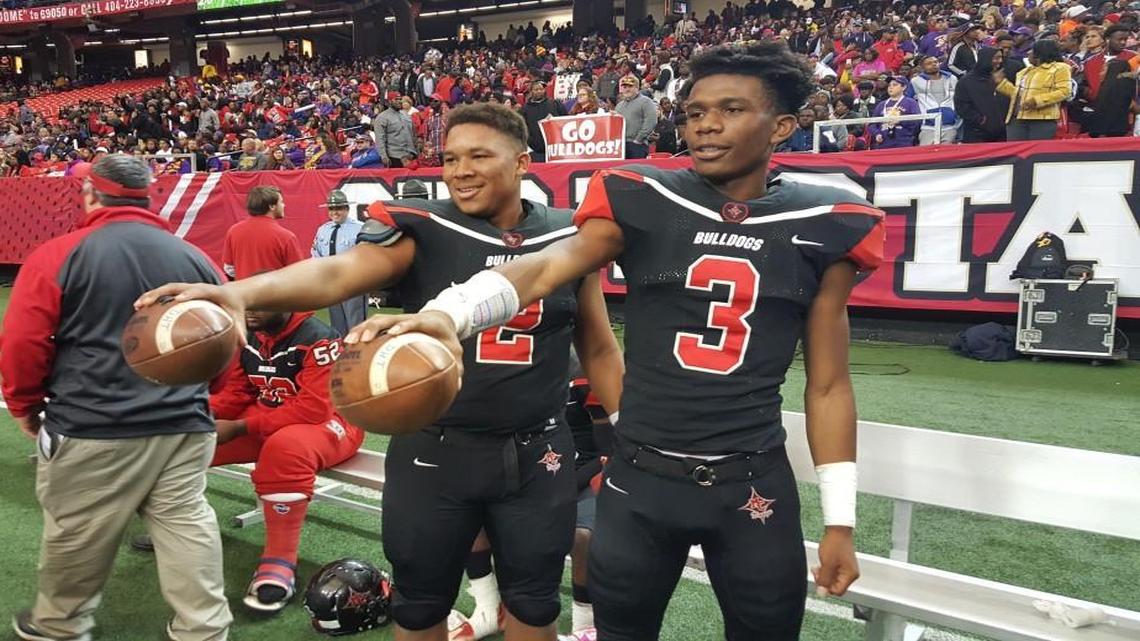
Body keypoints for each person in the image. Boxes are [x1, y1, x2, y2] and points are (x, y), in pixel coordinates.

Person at [351, 41, 882, 641]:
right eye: (695, 111)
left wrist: (840, 520)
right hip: (641, 476)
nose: (706, 124)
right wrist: (449, 312)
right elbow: (547, 265)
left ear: (782, 125)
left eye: (731, 109)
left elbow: (829, 385)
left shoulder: (825, 221)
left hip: (752, 479)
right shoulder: (647, 197)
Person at [136, 103, 624, 641]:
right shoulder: (425, 227)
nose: (460, 171)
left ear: (523, 162)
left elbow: (599, 347)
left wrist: (628, 430)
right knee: (418, 605)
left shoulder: (568, 235)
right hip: (434, 449)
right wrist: (240, 292)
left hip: (536, 450)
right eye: (450, 158)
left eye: (479, 156)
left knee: (534, 603)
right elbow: (338, 273)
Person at [0, 154, 233, 641]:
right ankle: (204, 629)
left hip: (93, 424)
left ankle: (60, 624)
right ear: (149, 198)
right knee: (186, 523)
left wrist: (24, 406)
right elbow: (227, 338)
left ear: (91, 194)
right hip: (184, 424)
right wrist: (205, 393)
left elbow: (22, 343)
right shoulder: (195, 257)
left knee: (78, 532)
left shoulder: (59, 253)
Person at [209, 309, 365, 611]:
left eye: (261, 301)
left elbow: (313, 409)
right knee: (190, 440)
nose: (249, 309)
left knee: (285, 448)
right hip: (270, 414)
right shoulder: (248, 333)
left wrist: (241, 427)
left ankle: (280, 559)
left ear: (286, 298)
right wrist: (199, 413)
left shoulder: (319, 338)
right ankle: (181, 527)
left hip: (332, 421)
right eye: (247, 300)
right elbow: (237, 391)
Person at [312, 189, 367, 335]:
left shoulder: (360, 228)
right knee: (337, 324)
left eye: (339, 208)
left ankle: (358, 348)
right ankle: (340, 347)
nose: (335, 212)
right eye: (331, 209)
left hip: (353, 282)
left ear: (347, 209)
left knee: (356, 323)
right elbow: (316, 253)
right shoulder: (323, 230)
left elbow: (366, 255)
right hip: (332, 282)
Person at [221, 185, 304, 280]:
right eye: (281, 202)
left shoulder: (233, 232)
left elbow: (229, 269)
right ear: (272, 206)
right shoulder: (286, 237)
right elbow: (298, 274)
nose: (284, 205)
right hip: (274, 289)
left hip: (243, 288)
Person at [997, 39, 1072, 141]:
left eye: (1032, 50)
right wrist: (1002, 83)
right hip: (1016, 119)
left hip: (1041, 121)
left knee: (1037, 150)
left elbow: (1064, 92)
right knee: (1015, 150)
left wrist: (1036, 101)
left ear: (1040, 53)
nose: (1028, 52)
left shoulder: (1060, 68)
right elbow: (1018, 95)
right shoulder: (1025, 71)